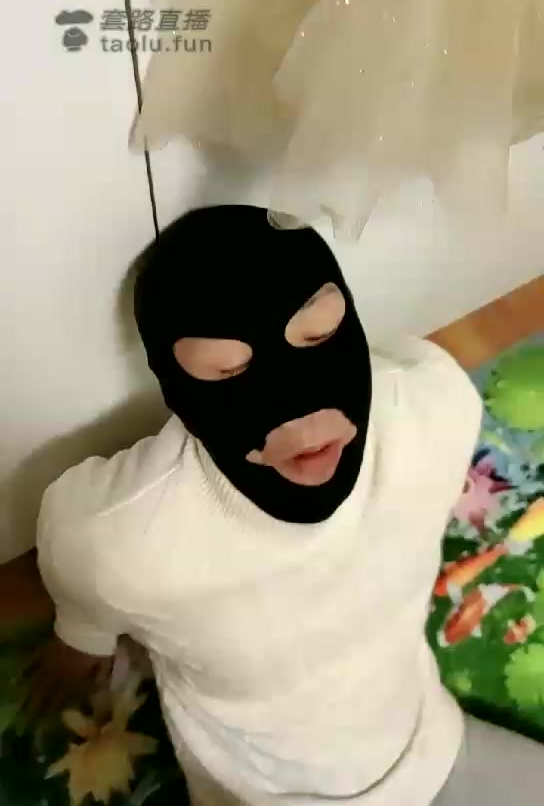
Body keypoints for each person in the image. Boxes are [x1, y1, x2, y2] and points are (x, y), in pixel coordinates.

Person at [37, 205, 544, 805]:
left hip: (430, 746)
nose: (301, 415)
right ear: (173, 389)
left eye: (320, 336)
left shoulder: (434, 408)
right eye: (227, 371)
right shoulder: (119, 540)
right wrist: (80, 639)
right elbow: (79, 589)